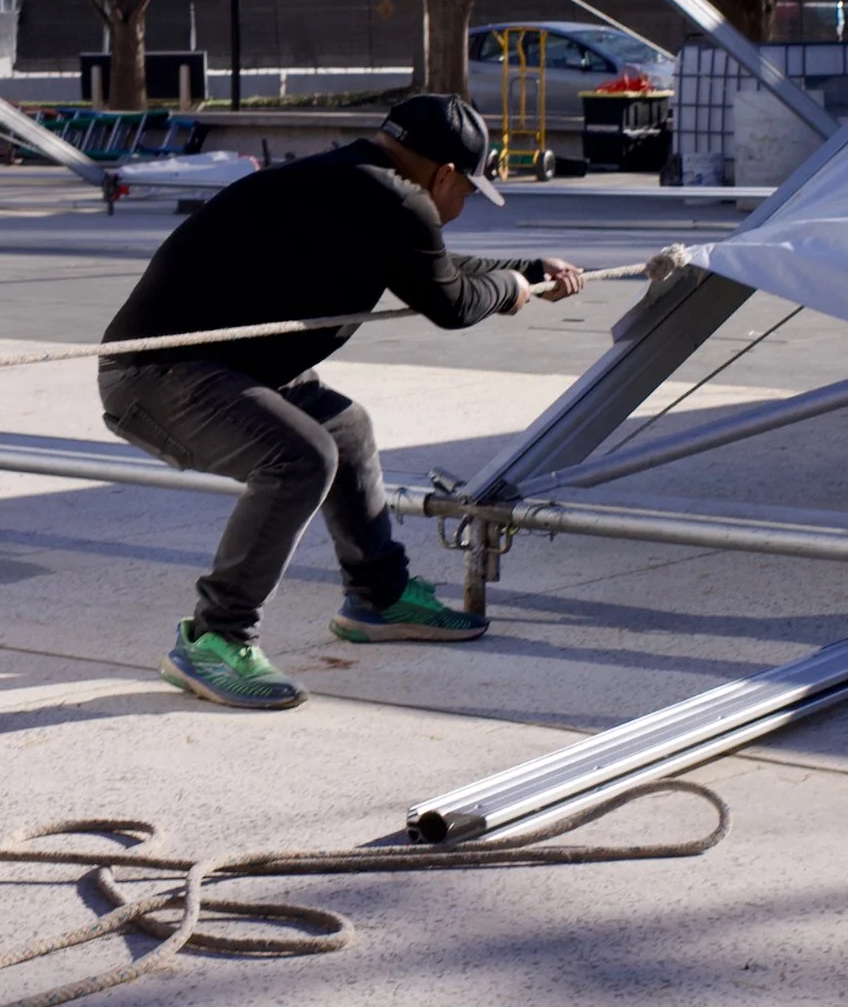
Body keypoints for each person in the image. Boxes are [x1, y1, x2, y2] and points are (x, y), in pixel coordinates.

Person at [97, 95, 584, 710]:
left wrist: (527, 269)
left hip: (215, 366)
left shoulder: (355, 183)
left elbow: (428, 267)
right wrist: (512, 287)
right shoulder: (393, 199)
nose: (459, 208)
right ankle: (214, 637)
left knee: (344, 427)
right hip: (156, 376)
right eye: (467, 193)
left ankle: (378, 598)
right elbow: (452, 303)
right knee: (299, 457)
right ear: (445, 176)